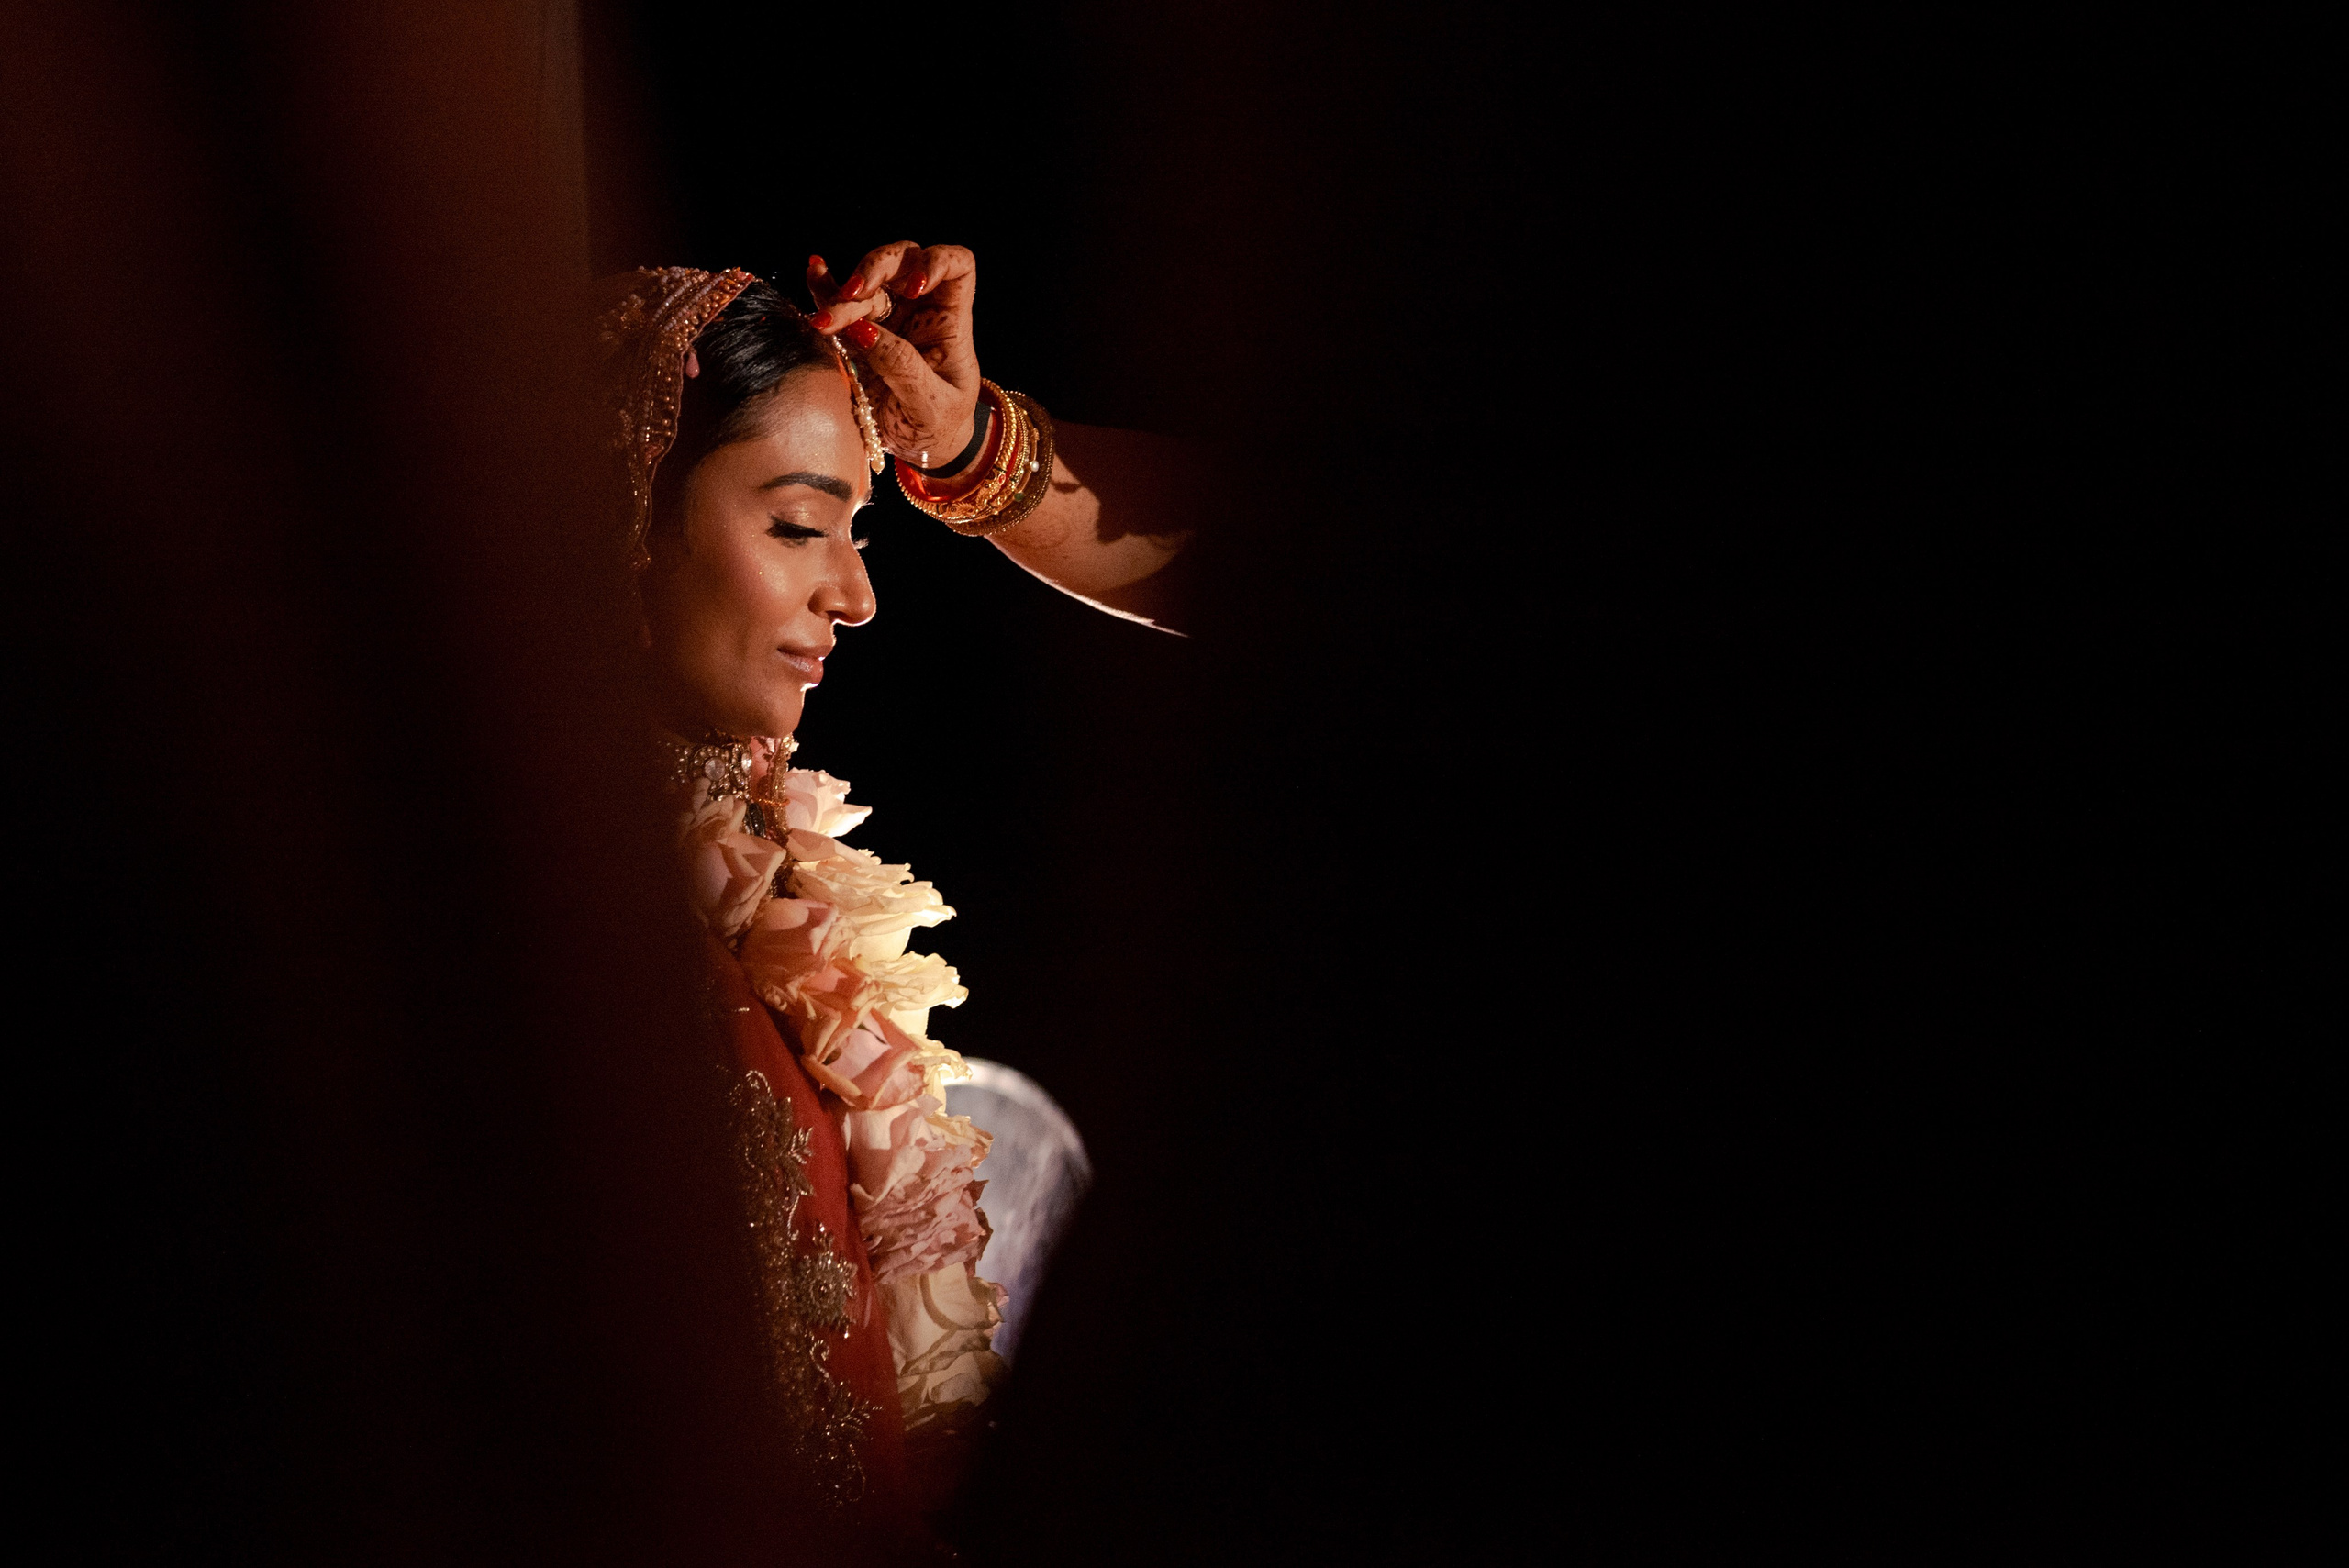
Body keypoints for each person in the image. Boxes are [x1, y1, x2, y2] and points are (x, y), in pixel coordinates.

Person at [592, 244, 1195, 1554]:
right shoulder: (571, 949)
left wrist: (978, 444)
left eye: (853, 531)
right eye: (801, 525)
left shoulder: (785, 931)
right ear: (622, 522)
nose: (857, 593)